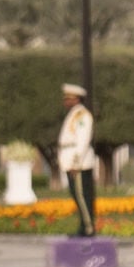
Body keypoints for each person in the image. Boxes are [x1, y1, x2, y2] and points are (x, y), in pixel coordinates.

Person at [55, 84, 99, 235]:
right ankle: (84, 226)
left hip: (79, 163)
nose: (65, 102)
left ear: (76, 100)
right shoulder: (73, 115)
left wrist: (76, 163)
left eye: (68, 99)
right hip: (70, 160)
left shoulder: (82, 115)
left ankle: (88, 228)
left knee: (82, 195)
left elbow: (82, 141)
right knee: (77, 195)